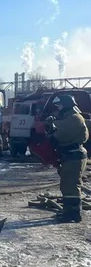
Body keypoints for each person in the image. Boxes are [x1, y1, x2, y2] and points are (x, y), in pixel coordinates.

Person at [45, 94, 89, 223]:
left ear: (66, 105)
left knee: (71, 186)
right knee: (67, 185)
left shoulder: (74, 119)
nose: (58, 108)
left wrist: (52, 125)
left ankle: (73, 214)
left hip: (73, 156)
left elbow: (57, 137)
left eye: (59, 105)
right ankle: (69, 212)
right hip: (70, 156)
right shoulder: (70, 118)